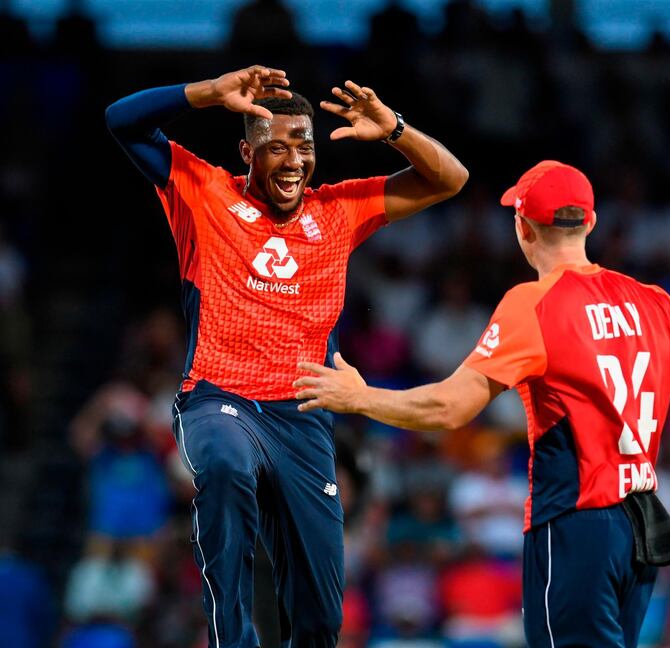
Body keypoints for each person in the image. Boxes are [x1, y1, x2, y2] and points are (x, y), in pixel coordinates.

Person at [294, 160, 670, 647]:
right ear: (591, 223)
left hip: (576, 525)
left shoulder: (533, 304)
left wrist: (360, 397)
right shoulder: (656, 302)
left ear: (522, 226)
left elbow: (450, 409)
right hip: (641, 529)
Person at [105, 65, 468, 648]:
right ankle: (234, 638)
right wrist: (208, 94)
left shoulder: (339, 210)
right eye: (276, 147)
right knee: (223, 466)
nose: (294, 160)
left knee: (323, 618)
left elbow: (450, 179)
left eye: (304, 145)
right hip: (218, 398)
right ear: (246, 151)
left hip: (302, 417)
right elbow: (121, 120)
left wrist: (395, 129)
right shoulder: (204, 191)